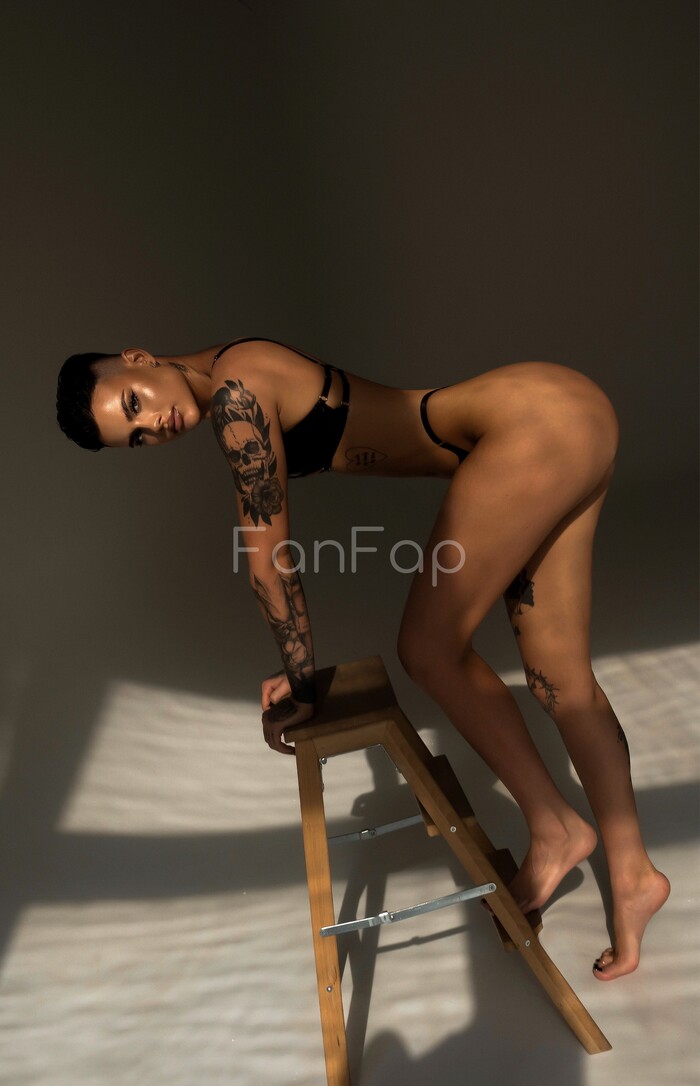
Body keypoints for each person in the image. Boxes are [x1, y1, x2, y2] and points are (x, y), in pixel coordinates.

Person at [56, 335, 669, 980]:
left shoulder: (238, 388)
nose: (154, 425)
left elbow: (268, 562)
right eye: (137, 438)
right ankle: (634, 876)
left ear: (139, 358)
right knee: (560, 681)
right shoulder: (237, 376)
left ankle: (555, 828)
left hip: (532, 427)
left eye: (134, 403)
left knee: (428, 649)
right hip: (569, 409)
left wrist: (303, 686)